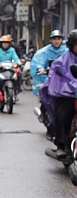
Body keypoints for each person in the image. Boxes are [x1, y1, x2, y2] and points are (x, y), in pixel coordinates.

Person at [40, 29, 77, 163]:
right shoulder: (61, 62)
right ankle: (61, 144)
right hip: (68, 96)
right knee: (63, 114)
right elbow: (56, 81)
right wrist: (71, 87)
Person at [31, 30, 67, 96]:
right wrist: (40, 69)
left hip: (63, 81)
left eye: (58, 39)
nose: (56, 41)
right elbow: (38, 62)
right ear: (50, 40)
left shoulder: (67, 52)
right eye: (54, 39)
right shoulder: (43, 52)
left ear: (62, 39)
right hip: (48, 80)